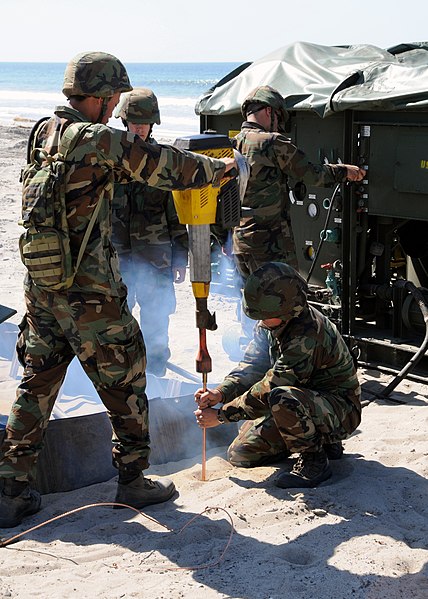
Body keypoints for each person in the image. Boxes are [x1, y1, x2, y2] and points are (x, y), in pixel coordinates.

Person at [0, 51, 236, 529]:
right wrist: (222, 169)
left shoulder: (42, 131)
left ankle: (12, 490)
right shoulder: (99, 139)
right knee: (127, 384)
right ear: (104, 98)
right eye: (112, 100)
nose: (113, 109)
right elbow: (168, 168)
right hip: (91, 295)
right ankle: (133, 480)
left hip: (43, 289)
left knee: (35, 388)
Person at [194, 262, 361, 489]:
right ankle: (320, 440)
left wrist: (222, 415)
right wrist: (221, 392)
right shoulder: (271, 323)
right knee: (241, 454)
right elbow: (253, 366)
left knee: (281, 397)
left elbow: (273, 386)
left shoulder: (307, 335)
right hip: (304, 404)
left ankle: (314, 461)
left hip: (339, 411)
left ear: (288, 309)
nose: (260, 321)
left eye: (265, 315)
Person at [232, 85, 366, 281]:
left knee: (250, 302)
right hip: (269, 244)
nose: (278, 127)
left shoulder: (232, 144)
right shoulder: (272, 142)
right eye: (279, 119)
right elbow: (311, 175)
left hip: (239, 242)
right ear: (270, 111)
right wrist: (344, 171)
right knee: (282, 302)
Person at [112, 88, 187, 377]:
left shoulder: (163, 160)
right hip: (118, 258)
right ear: (125, 122)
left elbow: (177, 213)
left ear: (153, 122)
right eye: (133, 121)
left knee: (156, 322)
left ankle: (156, 375)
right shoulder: (112, 159)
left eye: (144, 121)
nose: (139, 127)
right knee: (117, 324)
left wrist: (181, 257)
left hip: (157, 258)